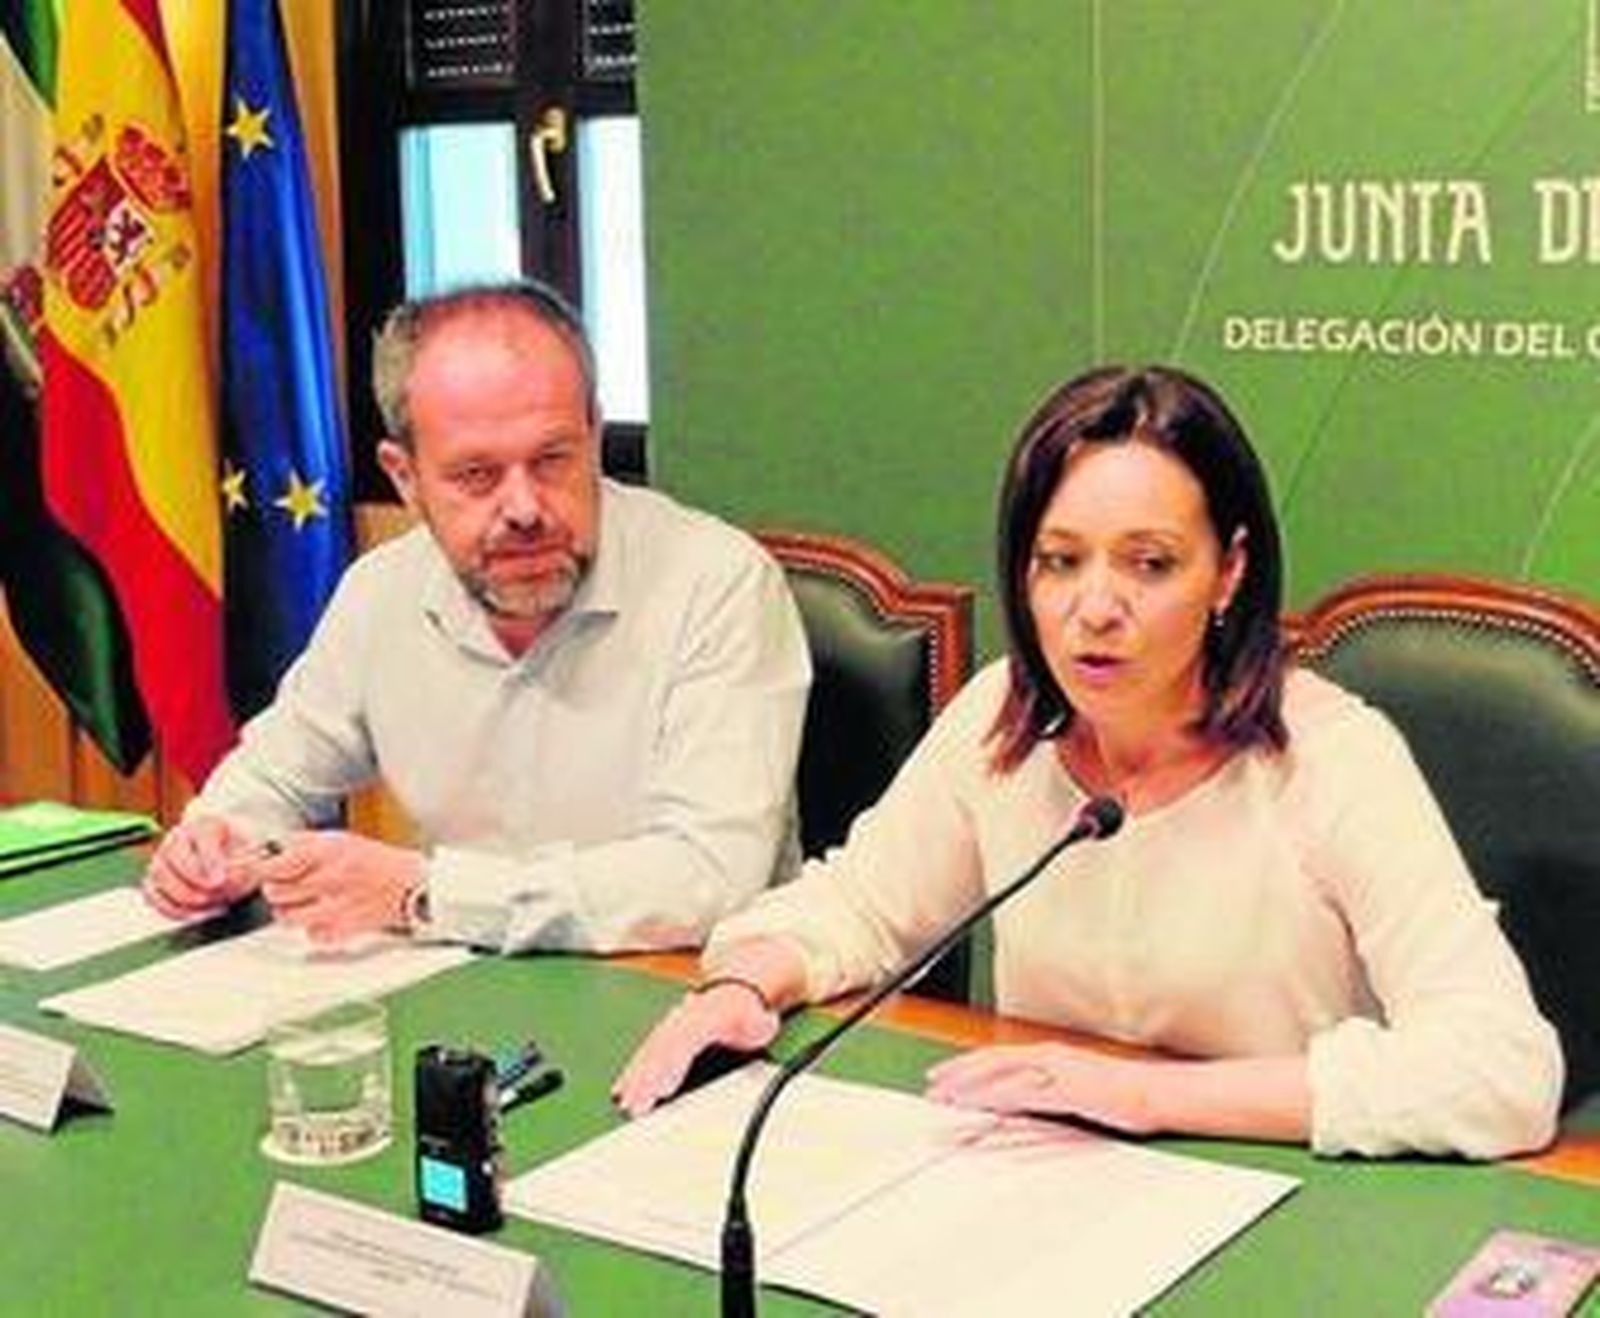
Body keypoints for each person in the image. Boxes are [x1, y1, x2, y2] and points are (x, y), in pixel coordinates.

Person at [614, 364, 1563, 1159]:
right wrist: (744, 985)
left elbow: (1501, 1068)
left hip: (1278, 1191)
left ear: (1229, 571)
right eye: (1059, 561)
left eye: (1149, 564)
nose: (1094, 608)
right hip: (1047, 1183)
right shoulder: (1003, 717)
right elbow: (865, 906)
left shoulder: (1331, 755)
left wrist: (1148, 1098)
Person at [143, 280, 811, 953]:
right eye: (477, 475)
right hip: (464, 982)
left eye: (552, 459)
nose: (524, 508)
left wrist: (426, 894)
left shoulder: (717, 583)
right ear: (405, 477)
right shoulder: (381, 592)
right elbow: (276, 774)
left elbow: (709, 876)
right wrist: (217, 840)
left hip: (688, 987)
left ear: (595, 436)